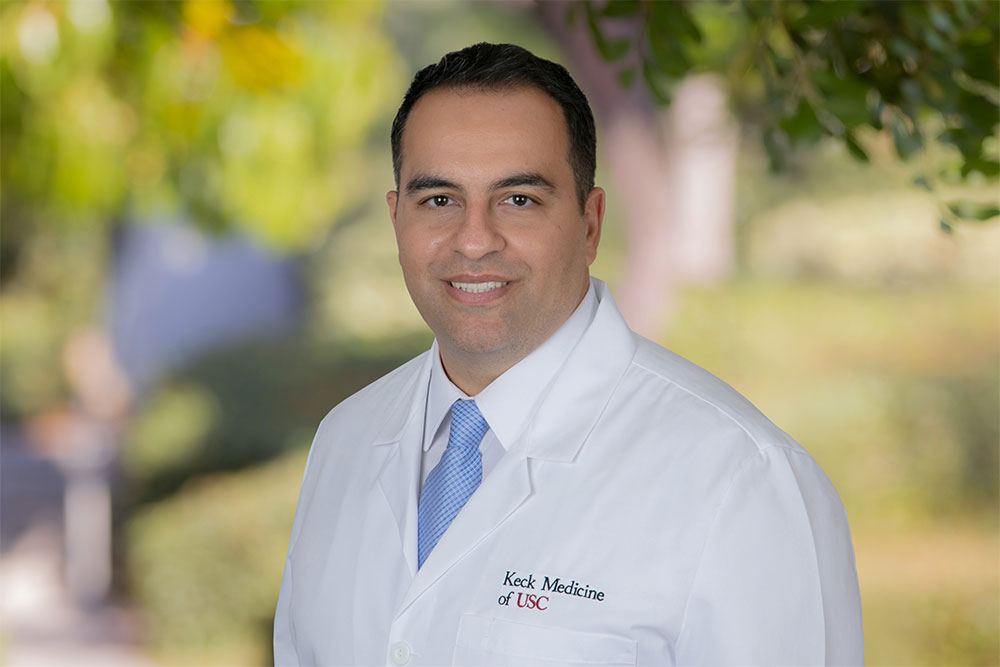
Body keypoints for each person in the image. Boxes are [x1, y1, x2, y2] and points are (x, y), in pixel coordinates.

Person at [274, 42, 864, 666]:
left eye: (519, 199)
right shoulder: (343, 440)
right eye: (439, 200)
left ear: (590, 223)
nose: (474, 241)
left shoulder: (741, 477)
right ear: (397, 219)